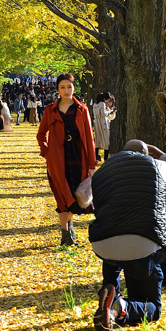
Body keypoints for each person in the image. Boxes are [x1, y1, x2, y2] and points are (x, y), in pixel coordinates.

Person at [89, 139, 166, 331]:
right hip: (143, 241)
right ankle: (120, 306)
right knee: (152, 306)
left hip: (104, 242)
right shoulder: (155, 164)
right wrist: (161, 154)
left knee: (113, 251)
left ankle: (110, 289)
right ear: (145, 153)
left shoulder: (102, 171)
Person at [36, 73, 95, 245]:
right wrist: (47, 152)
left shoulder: (82, 109)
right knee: (62, 196)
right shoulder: (49, 110)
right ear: (57, 90)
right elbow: (40, 135)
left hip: (79, 158)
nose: (66, 90)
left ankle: (70, 229)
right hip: (58, 160)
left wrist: (92, 164)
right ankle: (66, 236)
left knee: (75, 195)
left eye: (69, 86)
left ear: (74, 88)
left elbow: (90, 139)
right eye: (62, 87)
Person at [93, 92, 116, 161]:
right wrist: (110, 112)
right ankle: (106, 157)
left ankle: (96, 156)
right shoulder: (102, 104)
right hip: (102, 123)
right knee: (106, 139)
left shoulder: (95, 104)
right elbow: (103, 114)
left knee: (97, 140)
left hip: (96, 123)